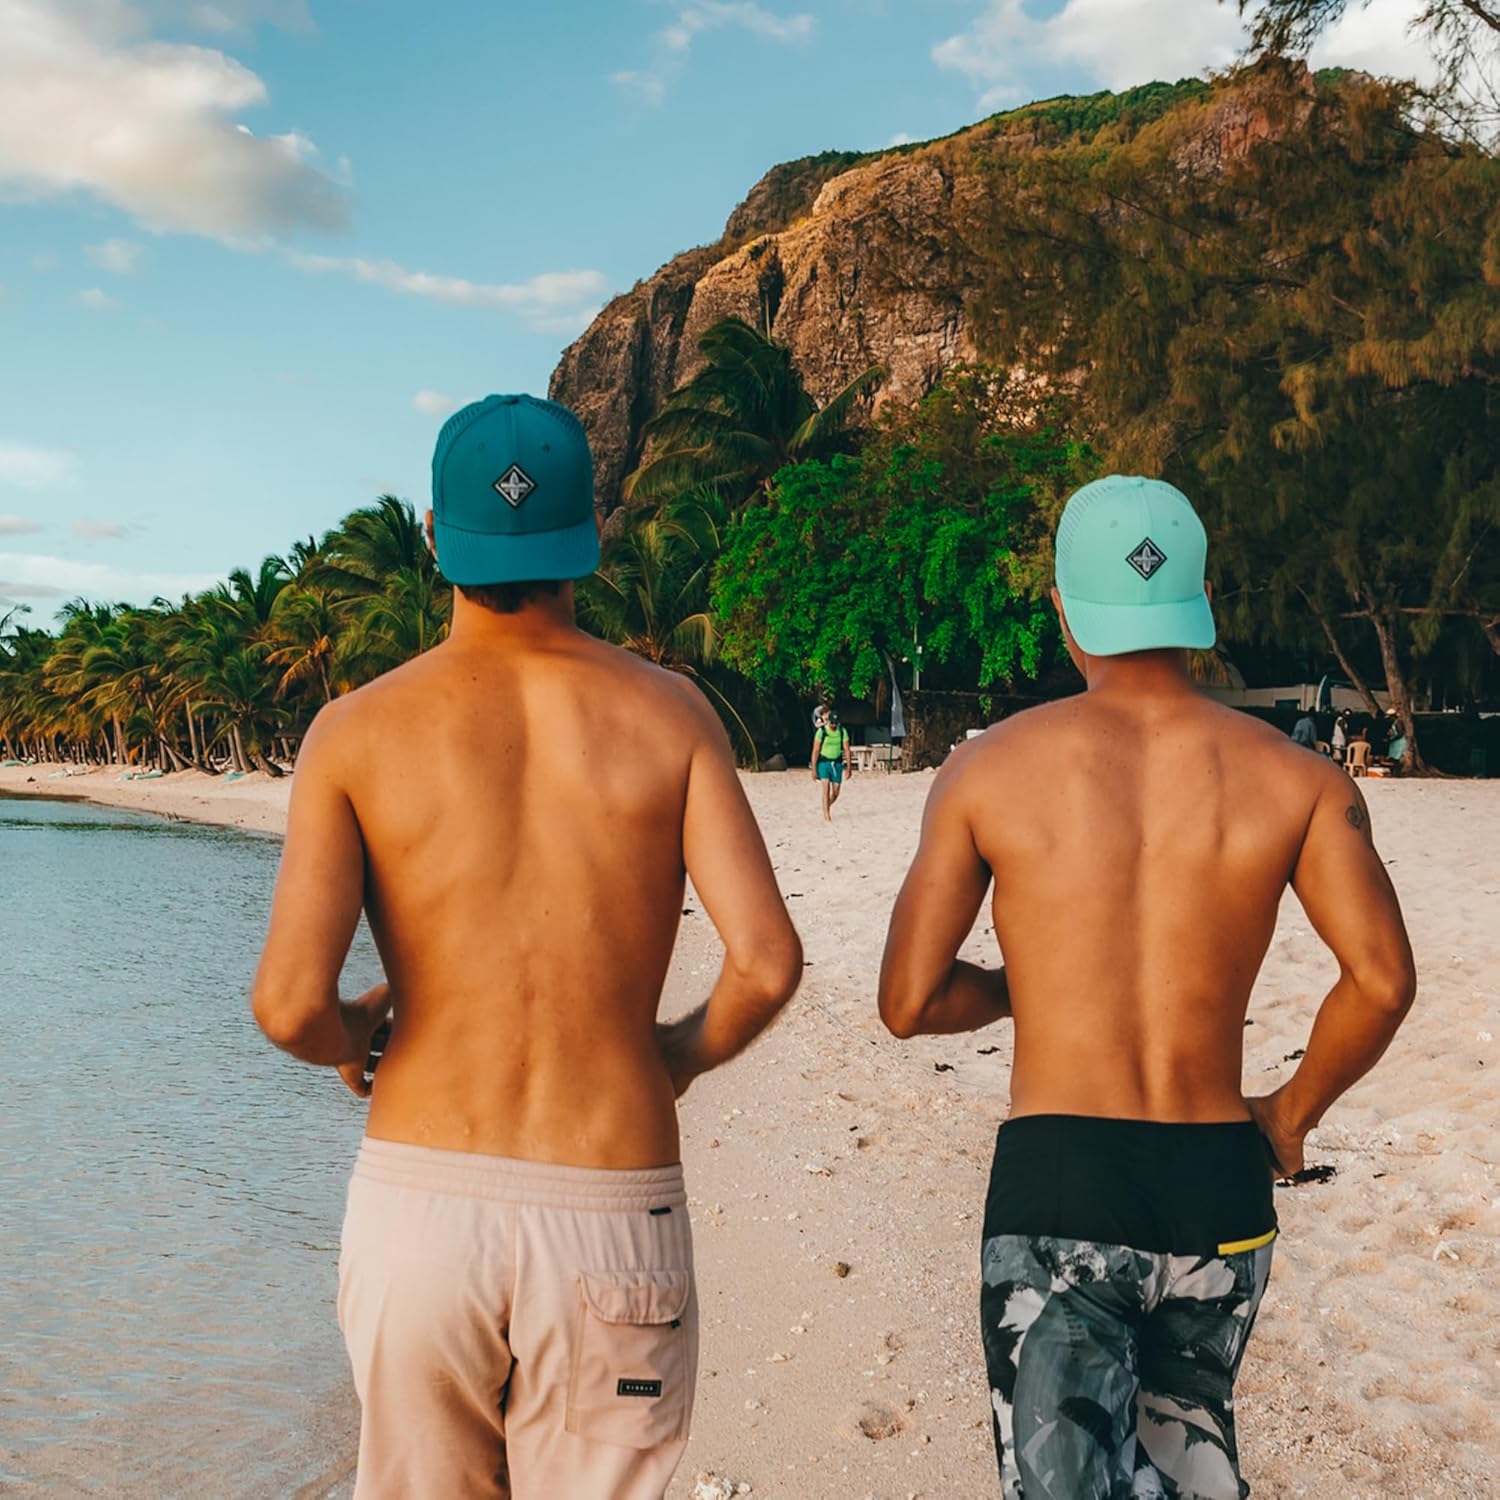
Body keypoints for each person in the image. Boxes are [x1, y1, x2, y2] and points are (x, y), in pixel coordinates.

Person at [250, 394, 803, 1500]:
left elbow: (289, 1005)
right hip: (611, 1201)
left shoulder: (355, 731)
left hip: (421, 1207)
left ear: (432, 535)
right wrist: (674, 1056)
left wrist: (358, 1033)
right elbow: (766, 964)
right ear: (588, 533)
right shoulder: (672, 714)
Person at [877, 474, 1416, 1500]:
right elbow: (1382, 983)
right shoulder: (1301, 780)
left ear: (1065, 610)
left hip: (1062, 1181)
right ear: (1198, 604)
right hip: (1218, 1183)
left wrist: (1026, 986)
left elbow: (910, 1001)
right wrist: (1290, 1113)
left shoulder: (989, 771)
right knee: (1194, 1469)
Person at [810, 707, 852, 822]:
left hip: (837, 763)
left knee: (836, 792)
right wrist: (814, 769)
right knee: (826, 788)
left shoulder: (842, 731)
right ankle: (827, 816)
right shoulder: (821, 732)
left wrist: (849, 767)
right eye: (832, 722)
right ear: (828, 720)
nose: (833, 725)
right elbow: (815, 751)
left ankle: (826, 806)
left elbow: (847, 749)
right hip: (824, 763)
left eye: (835, 723)